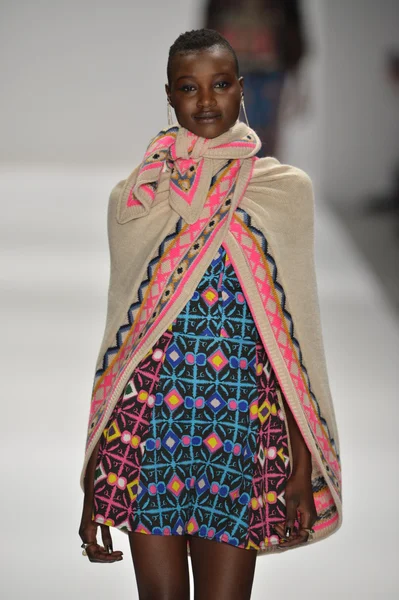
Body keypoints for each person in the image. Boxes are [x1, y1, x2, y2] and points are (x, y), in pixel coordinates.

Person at [78, 28, 342, 600]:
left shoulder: (282, 192)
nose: (205, 101)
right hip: (150, 434)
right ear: (169, 96)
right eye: (188, 88)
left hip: (240, 433)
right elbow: (118, 349)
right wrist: (95, 479)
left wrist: (299, 465)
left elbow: (294, 342)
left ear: (242, 90)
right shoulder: (136, 199)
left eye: (220, 85)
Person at [205, 0, 308, 157]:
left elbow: (292, 20)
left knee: (265, 132)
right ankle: (245, 175)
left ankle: (261, 176)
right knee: (235, 130)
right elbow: (212, 16)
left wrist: (295, 64)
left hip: (271, 63)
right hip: (232, 62)